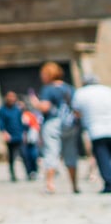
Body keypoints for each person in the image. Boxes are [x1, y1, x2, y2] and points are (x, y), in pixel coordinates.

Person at [35, 63, 81, 195]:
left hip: (53, 123)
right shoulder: (70, 88)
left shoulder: (48, 89)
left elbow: (45, 107)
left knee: (51, 152)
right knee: (71, 153)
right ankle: (74, 185)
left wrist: (35, 104)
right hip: (69, 124)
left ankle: (50, 185)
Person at [71, 75, 111, 194]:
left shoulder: (81, 93)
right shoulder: (107, 90)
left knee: (102, 156)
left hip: (96, 129)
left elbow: (76, 112)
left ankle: (109, 183)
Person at [0, 91, 28, 182]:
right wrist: (4, 133)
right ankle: (12, 174)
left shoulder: (17, 109)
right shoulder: (2, 109)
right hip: (10, 136)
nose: (11, 99)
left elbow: (22, 121)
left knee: (24, 154)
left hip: (19, 134)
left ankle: (28, 173)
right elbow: (0, 122)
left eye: (13, 97)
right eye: (9, 97)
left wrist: (24, 132)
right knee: (11, 156)